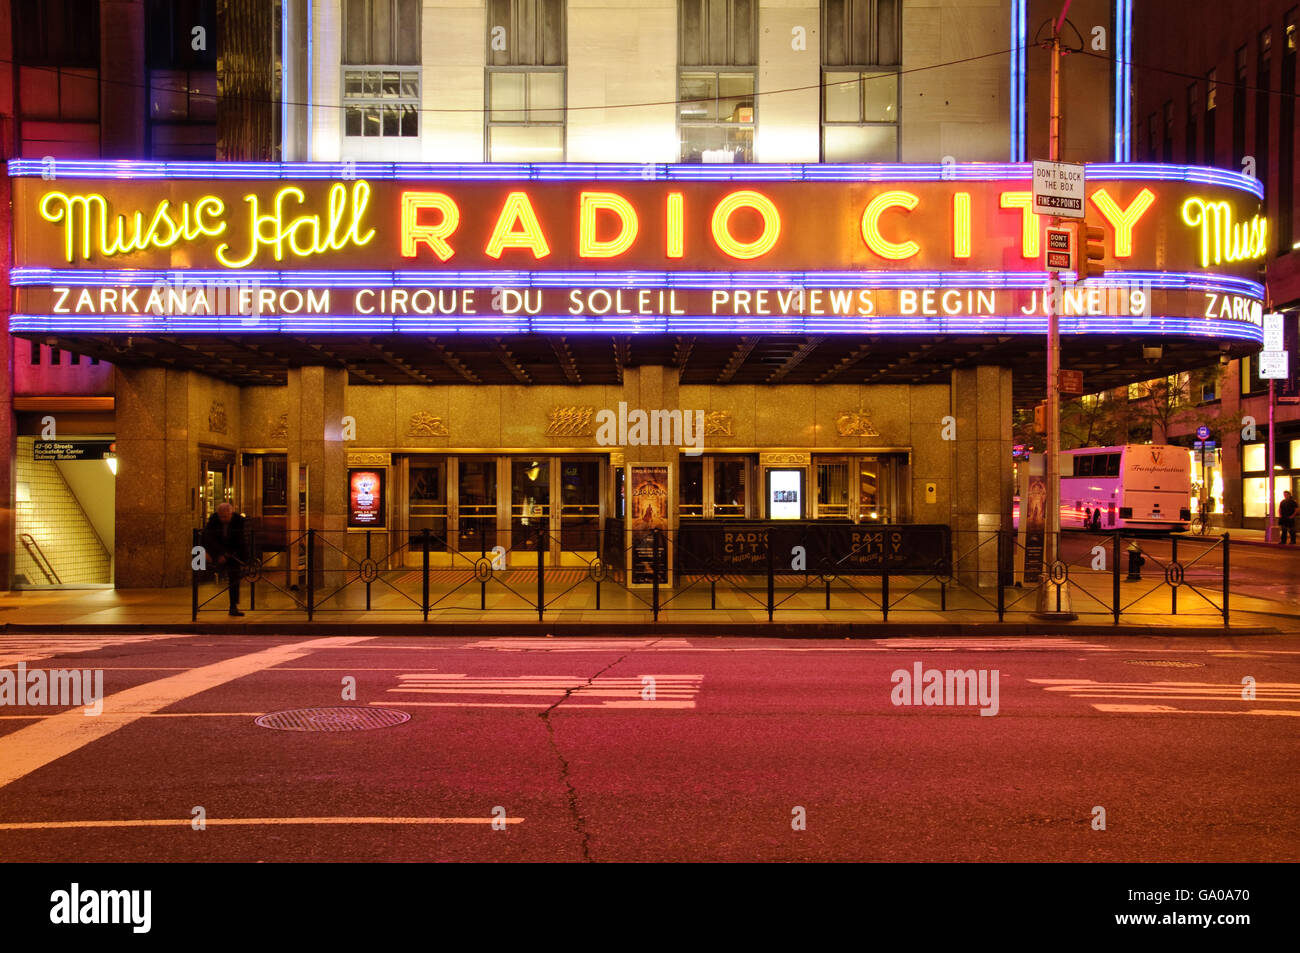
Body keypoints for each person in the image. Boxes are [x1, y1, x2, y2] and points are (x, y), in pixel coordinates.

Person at [201, 501, 249, 616]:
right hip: (217, 551)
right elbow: (208, 537)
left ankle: (233, 606)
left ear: (231, 514)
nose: (223, 519)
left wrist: (228, 555)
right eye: (221, 516)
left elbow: (240, 540)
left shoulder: (238, 521)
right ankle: (198, 608)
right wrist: (217, 554)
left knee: (234, 579)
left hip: (233, 553)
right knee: (210, 571)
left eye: (225, 517)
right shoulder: (214, 520)